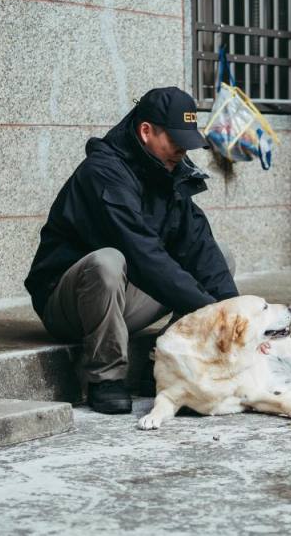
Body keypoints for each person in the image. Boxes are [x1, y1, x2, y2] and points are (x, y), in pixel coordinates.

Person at [25, 87, 238, 415]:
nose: (182, 151)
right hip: (68, 303)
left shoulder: (169, 170)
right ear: (146, 131)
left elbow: (200, 247)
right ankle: (105, 377)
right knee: (108, 261)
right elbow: (142, 254)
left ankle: (162, 366)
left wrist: (238, 317)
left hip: (124, 297)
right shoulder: (105, 172)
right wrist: (211, 312)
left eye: (187, 143)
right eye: (176, 142)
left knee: (222, 257)